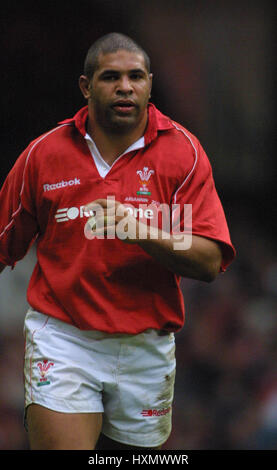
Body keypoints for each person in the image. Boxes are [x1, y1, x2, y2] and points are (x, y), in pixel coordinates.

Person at [0, 32, 235, 450]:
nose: (125, 86)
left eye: (136, 76)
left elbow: (210, 260)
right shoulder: (43, 155)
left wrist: (140, 232)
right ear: (86, 87)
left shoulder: (184, 154)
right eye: (111, 77)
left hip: (147, 345)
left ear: (149, 84)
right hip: (65, 337)